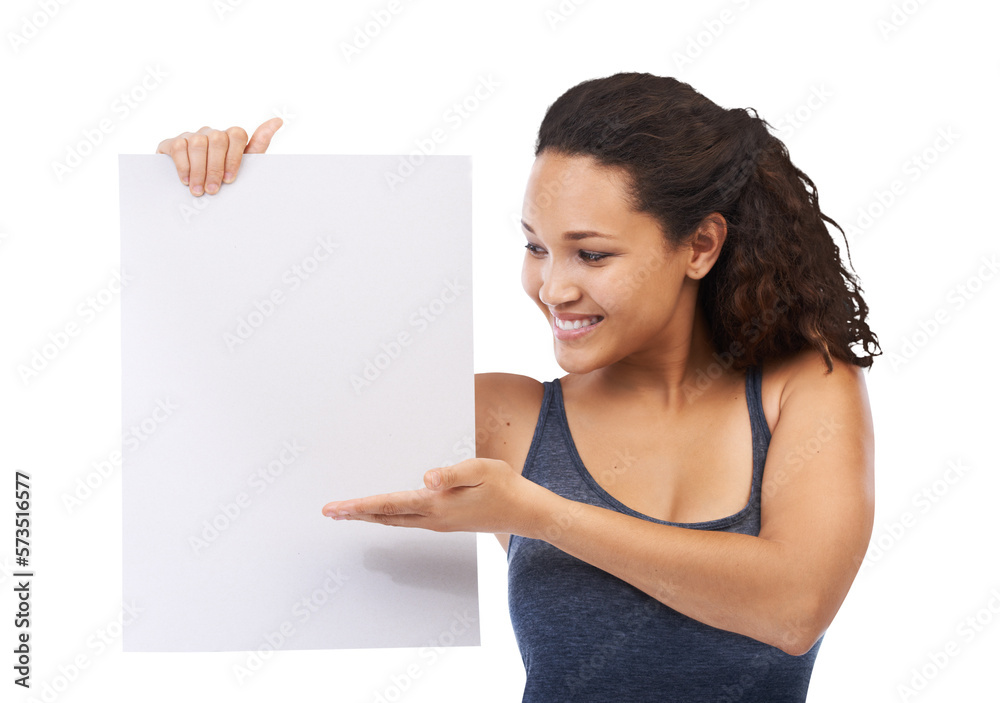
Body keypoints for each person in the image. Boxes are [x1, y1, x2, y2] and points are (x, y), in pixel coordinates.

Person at [156, 72, 879, 702]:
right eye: (536, 246)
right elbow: (256, 422)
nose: (551, 286)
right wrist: (226, 214)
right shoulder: (508, 418)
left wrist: (543, 514)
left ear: (699, 245)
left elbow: (793, 605)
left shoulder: (801, 387)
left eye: (590, 253)